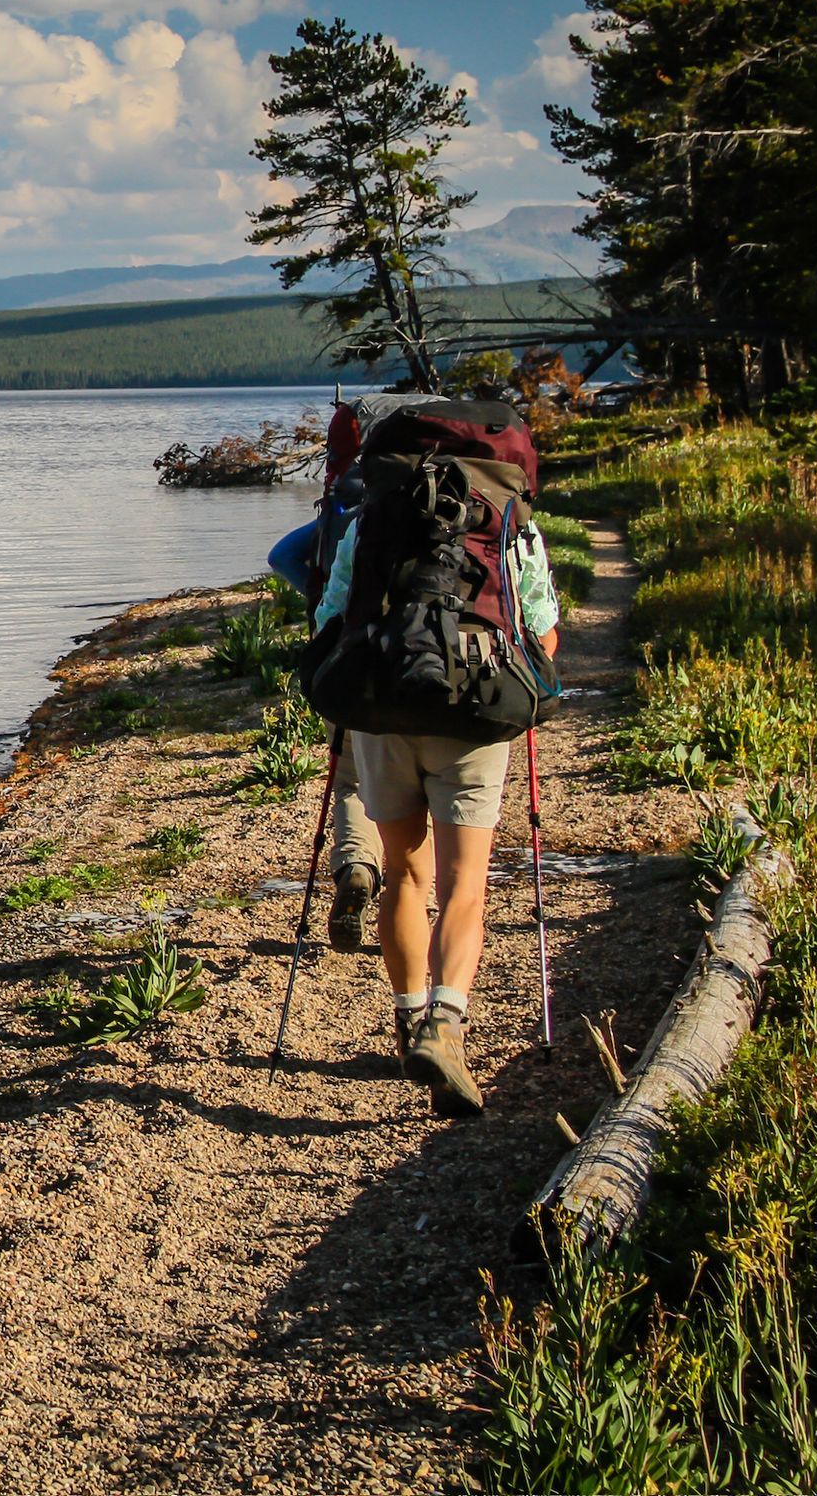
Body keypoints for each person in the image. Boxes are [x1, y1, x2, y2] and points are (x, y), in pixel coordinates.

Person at [312, 491, 559, 1116]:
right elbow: (543, 630)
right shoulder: (508, 519)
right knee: (463, 884)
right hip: (473, 707)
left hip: (384, 705)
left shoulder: (372, 518)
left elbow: (331, 618)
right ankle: (446, 1024)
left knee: (404, 872)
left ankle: (408, 1019)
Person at [266, 392, 452, 954]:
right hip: (443, 662)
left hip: (355, 660)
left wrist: (323, 597)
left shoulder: (351, 507)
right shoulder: (450, 497)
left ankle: (355, 870)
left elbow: (282, 556)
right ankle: (420, 907)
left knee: (350, 781)